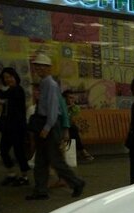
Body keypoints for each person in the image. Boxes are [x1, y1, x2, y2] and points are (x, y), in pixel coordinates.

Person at [26, 53, 85, 200]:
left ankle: (76, 182)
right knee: (41, 159)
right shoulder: (46, 83)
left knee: (55, 159)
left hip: (49, 126)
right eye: (37, 66)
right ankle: (40, 190)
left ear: (48, 68)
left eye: (42, 66)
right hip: (47, 124)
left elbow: (53, 109)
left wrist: (46, 128)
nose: (39, 68)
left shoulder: (50, 84)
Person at [0, 67, 30, 186]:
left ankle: (24, 176)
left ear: (15, 76)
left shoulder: (17, 90)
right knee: (3, 149)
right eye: (5, 77)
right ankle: (12, 174)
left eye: (10, 76)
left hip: (18, 128)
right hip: (8, 128)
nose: (8, 79)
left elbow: (2, 94)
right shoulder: (11, 91)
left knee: (19, 151)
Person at [62, 89, 94, 162]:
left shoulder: (75, 108)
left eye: (73, 98)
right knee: (73, 129)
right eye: (70, 97)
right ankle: (82, 150)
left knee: (73, 129)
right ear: (64, 98)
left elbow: (74, 119)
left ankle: (82, 150)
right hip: (60, 128)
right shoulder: (60, 106)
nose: (72, 100)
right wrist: (67, 108)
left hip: (69, 128)